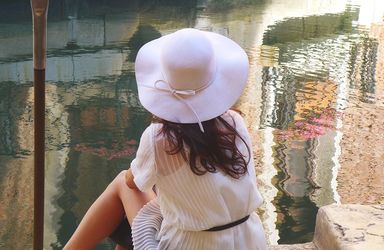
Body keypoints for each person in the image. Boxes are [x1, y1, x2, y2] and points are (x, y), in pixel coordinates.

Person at [64, 28, 267, 250]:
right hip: (249, 240)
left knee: (123, 182)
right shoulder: (235, 122)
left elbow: (133, 182)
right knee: (155, 206)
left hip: (192, 245)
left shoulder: (159, 138)